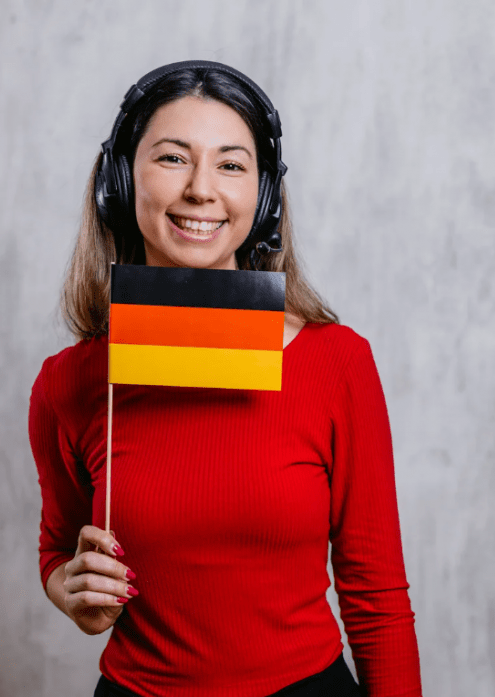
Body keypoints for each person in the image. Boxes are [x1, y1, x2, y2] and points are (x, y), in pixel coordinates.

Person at [29, 60, 422, 697]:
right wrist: (69, 588)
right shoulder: (69, 384)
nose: (201, 190)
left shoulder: (337, 362)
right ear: (121, 185)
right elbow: (57, 543)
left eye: (231, 164)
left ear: (262, 197)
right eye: (172, 158)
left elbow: (377, 597)